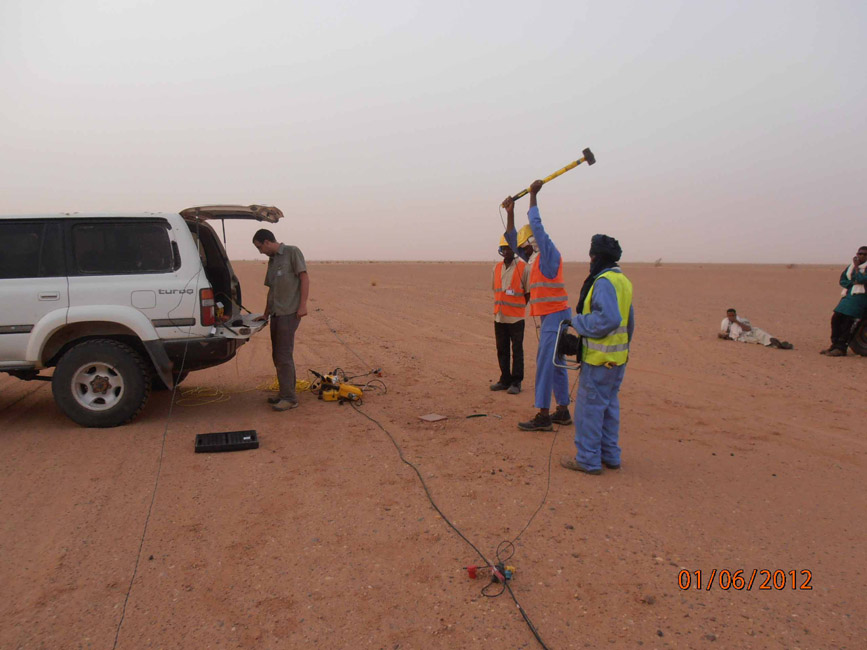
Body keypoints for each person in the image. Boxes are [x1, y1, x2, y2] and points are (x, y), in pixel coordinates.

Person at [560, 235, 635, 475]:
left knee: (589, 411)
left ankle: (588, 459)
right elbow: (629, 322)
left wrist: (578, 322)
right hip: (618, 360)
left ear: (598, 257)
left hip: (599, 360)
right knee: (609, 408)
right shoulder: (623, 280)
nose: (590, 261)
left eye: (592, 256)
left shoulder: (603, 281)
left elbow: (609, 319)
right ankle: (610, 455)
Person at [503, 180, 572, 431]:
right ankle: (562, 410)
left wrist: (532, 197)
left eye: (524, 244)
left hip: (556, 316)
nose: (521, 249)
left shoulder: (548, 253)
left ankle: (543, 415)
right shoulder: (532, 260)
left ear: (531, 241)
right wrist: (510, 214)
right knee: (557, 363)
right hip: (550, 317)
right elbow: (511, 241)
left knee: (545, 364)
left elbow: (538, 227)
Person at [252, 229, 309, 411]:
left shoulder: (292, 252)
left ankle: (290, 399)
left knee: (284, 355)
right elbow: (272, 289)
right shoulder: (272, 260)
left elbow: (304, 278)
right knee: (277, 355)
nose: (260, 251)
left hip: (289, 313)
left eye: (260, 247)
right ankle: (284, 392)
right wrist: (266, 313)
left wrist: (303, 306)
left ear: (267, 241)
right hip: (276, 313)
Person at [490, 235, 530, 395]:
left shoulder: (524, 268)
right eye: (504, 248)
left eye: (509, 248)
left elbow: (528, 292)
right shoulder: (496, 268)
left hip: (516, 318)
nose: (506, 251)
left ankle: (516, 381)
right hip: (499, 316)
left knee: (517, 350)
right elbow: (495, 290)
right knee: (502, 349)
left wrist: (519, 307)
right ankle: (504, 379)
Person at [822, 245, 867, 356]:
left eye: (865, 254)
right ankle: (834, 345)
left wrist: (856, 268)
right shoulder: (851, 267)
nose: (862, 256)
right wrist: (853, 284)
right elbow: (843, 280)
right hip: (849, 296)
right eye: (860, 253)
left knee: (849, 322)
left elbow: (861, 279)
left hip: (861, 298)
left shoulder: (857, 267)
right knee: (836, 319)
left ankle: (841, 348)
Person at [718, 309, 793, 349]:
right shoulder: (725, 323)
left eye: (733, 315)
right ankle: (776, 345)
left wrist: (736, 321)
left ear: (736, 315)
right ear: (727, 316)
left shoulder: (741, 320)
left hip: (751, 331)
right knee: (758, 340)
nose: (731, 317)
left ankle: (776, 342)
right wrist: (723, 336)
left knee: (762, 333)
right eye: (729, 315)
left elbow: (748, 329)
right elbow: (728, 334)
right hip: (743, 337)